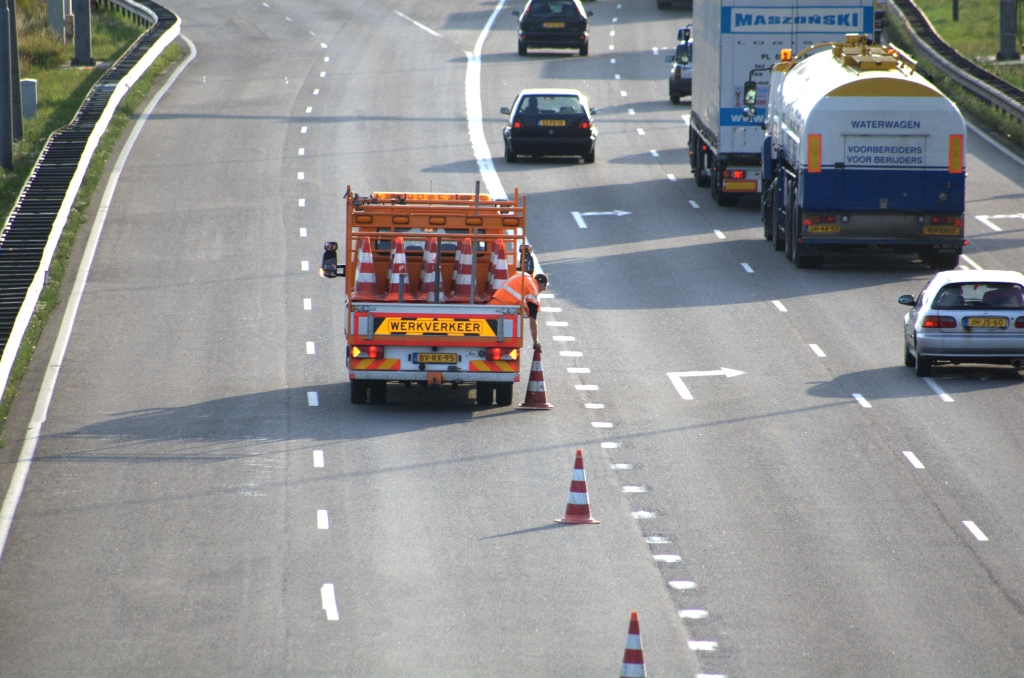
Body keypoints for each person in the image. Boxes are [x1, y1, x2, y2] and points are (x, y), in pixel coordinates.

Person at [489, 271, 549, 352]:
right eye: (543, 289)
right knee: (503, 343)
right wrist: (536, 342)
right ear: (542, 284)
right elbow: (533, 321)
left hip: (492, 305)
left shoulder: (523, 275)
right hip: (504, 313)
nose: (540, 291)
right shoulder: (533, 292)